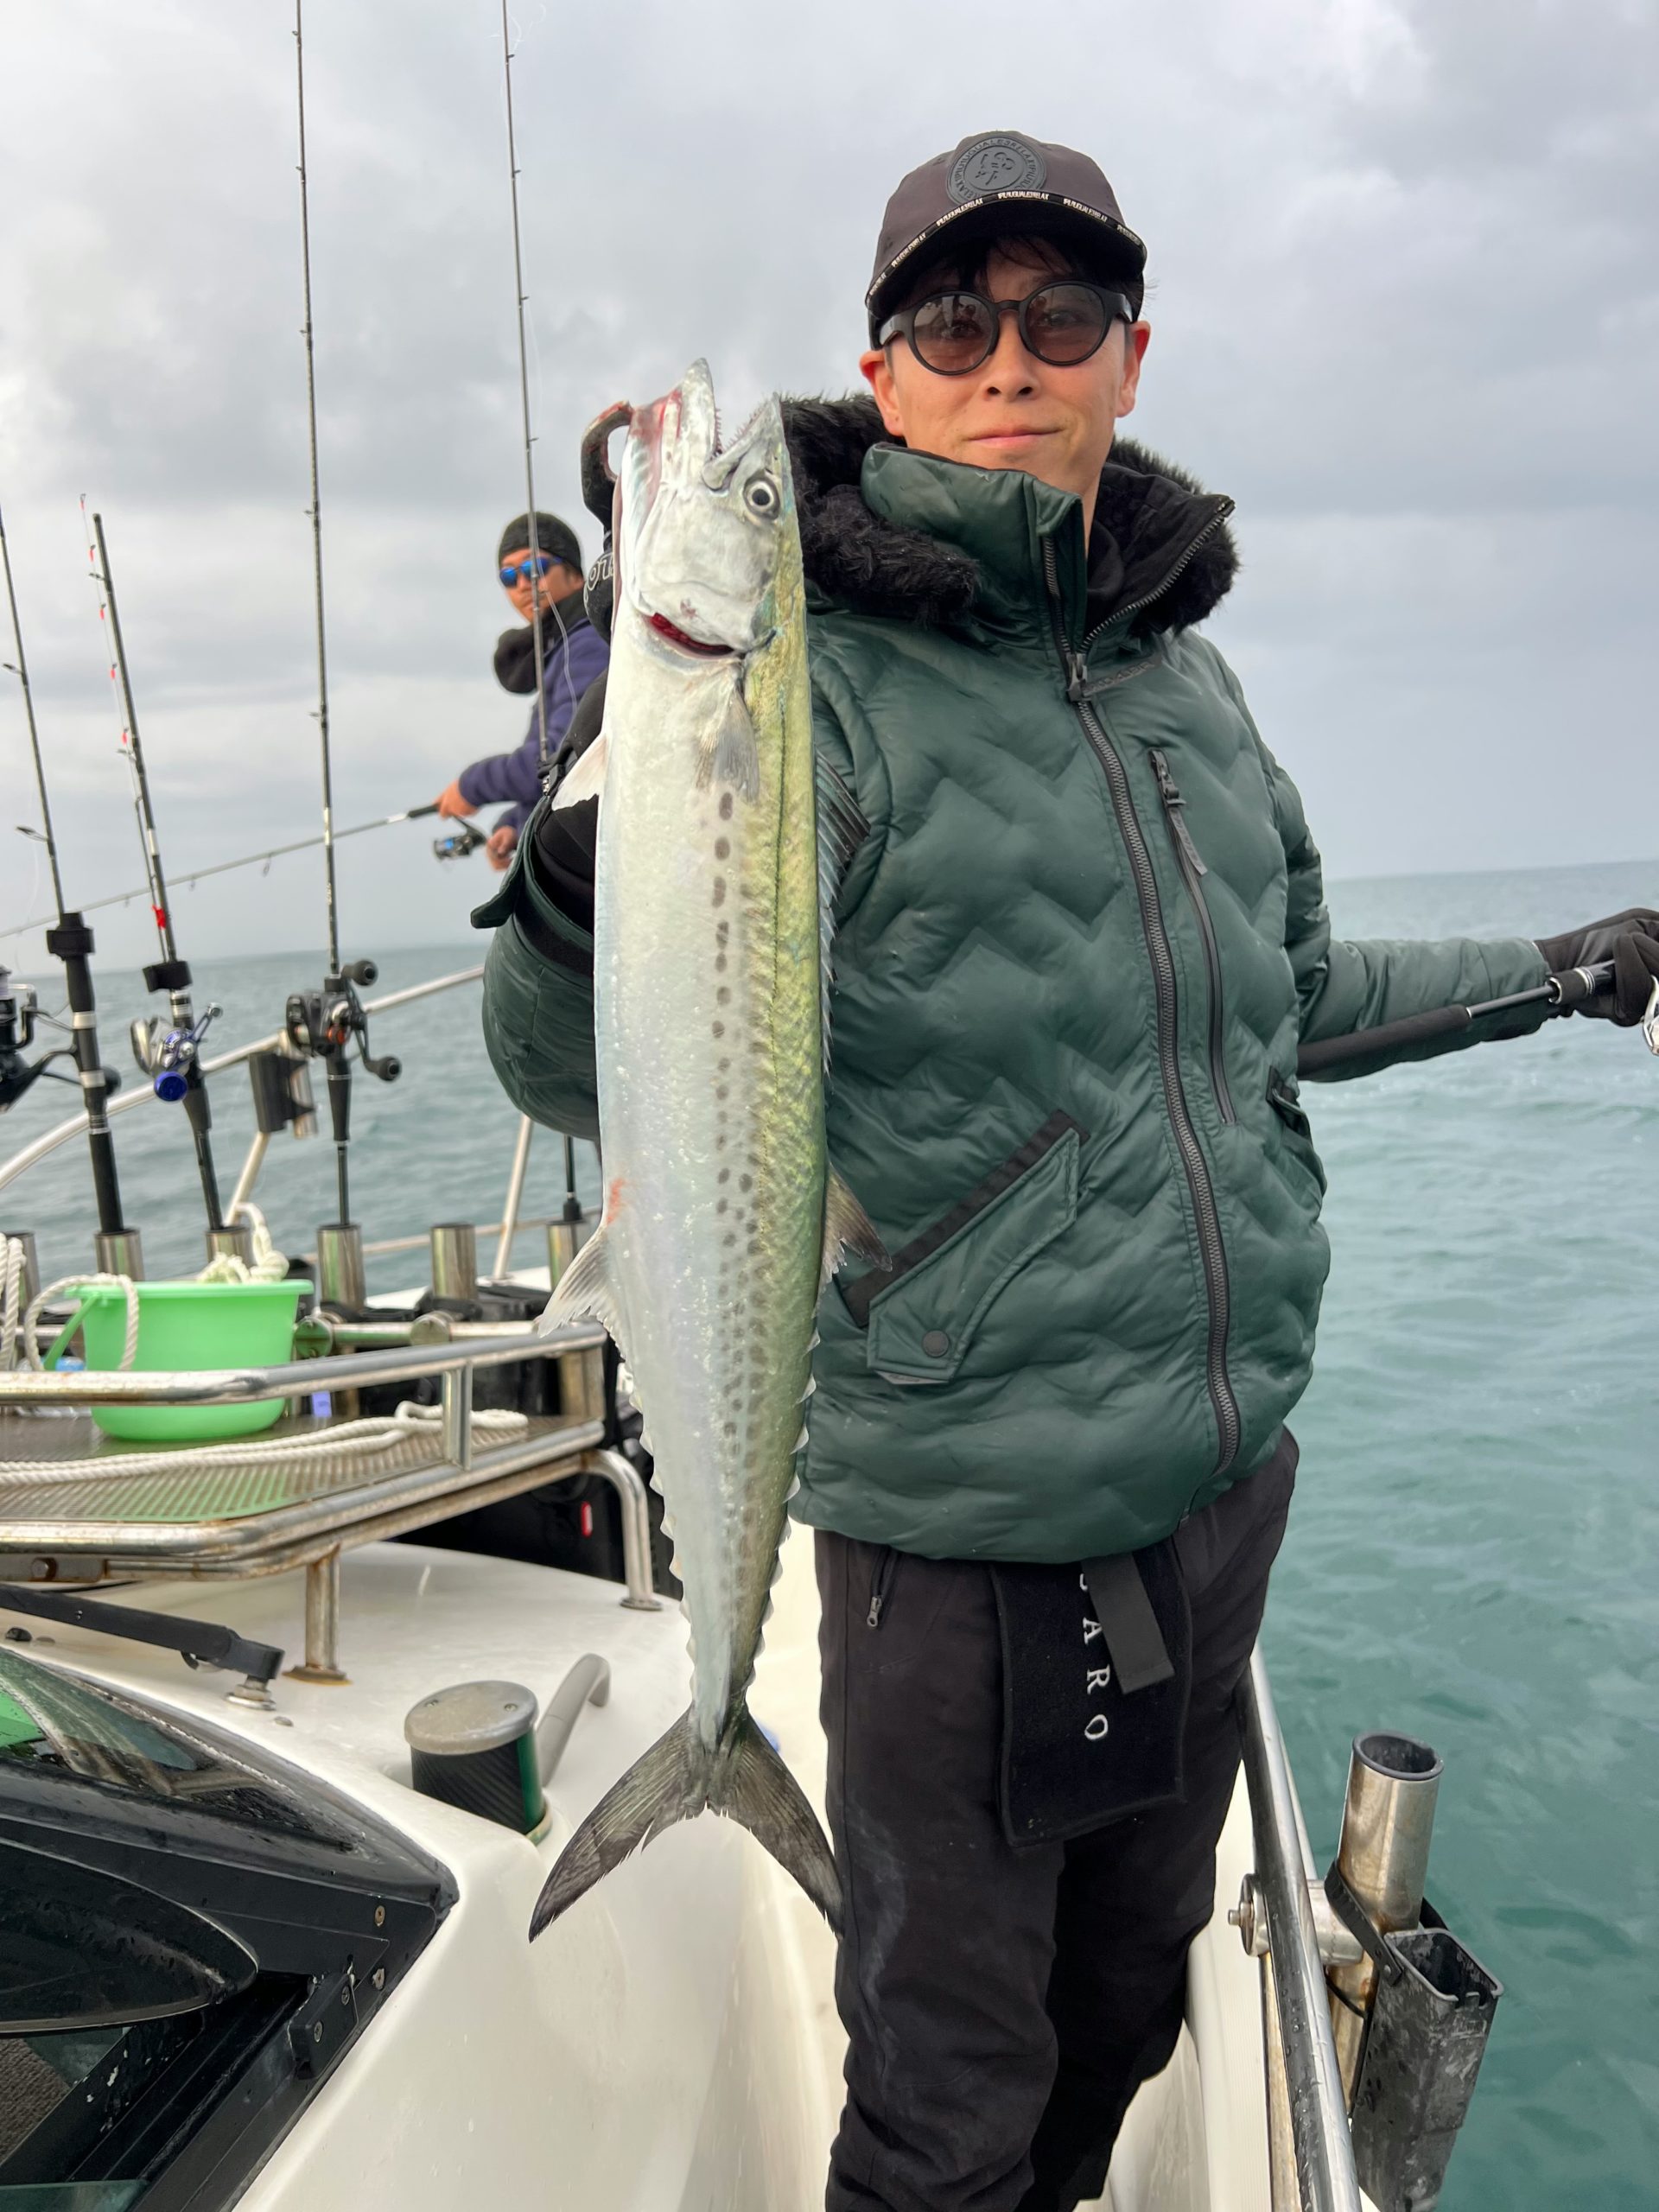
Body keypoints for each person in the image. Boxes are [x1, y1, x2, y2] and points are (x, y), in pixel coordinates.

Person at [472, 131, 1659, 2212]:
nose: (1007, 356)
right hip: (959, 1552)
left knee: (1127, 2018)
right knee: (945, 2108)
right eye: (953, 320)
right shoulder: (799, 686)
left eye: (1061, 313)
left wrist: (1558, 973)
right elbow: (571, 1066)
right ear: (885, 370)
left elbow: (1291, 991)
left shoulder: (1187, 687)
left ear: (1131, 354)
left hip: (1209, 1503)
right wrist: (578, 888)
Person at [433, 511, 608, 873]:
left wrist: (472, 785)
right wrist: (516, 823)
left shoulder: (587, 644)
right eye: (509, 576)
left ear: (574, 573)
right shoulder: (563, 649)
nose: (523, 584)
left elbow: (564, 759)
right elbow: (557, 778)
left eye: (535, 568)